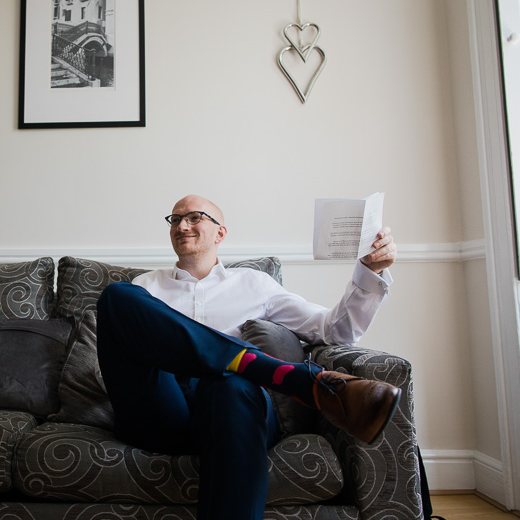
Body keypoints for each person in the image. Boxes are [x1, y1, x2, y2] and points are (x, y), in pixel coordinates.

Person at [96, 194, 400, 520]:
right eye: (174, 219)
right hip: (163, 410)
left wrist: (369, 272)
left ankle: (251, 368)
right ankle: (281, 374)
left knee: (232, 387)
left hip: (232, 410)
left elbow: (333, 331)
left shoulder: (255, 284)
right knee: (116, 296)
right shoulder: (145, 288)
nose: (181, 225)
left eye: (194, 216)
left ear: (220, 233)